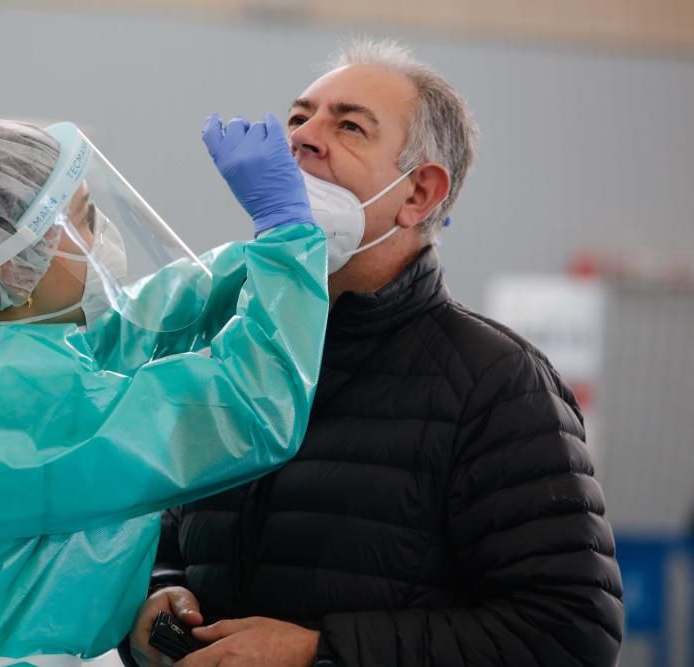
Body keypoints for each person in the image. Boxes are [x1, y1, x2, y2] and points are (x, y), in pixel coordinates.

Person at [126, 39, 624, 667]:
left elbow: (570, 633)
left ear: (419, 195)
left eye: (349, 125)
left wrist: (319, 651)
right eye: (299, 117)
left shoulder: (495, 382)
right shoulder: (232, 346)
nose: (303, 138)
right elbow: (175, 530)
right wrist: (159, 589)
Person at [0, 116, 329, 665]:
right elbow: (248, 409)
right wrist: (290, 241)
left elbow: (108, 340)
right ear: (19, 265)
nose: (99, 239)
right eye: (82, 222)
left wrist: (243, 268)